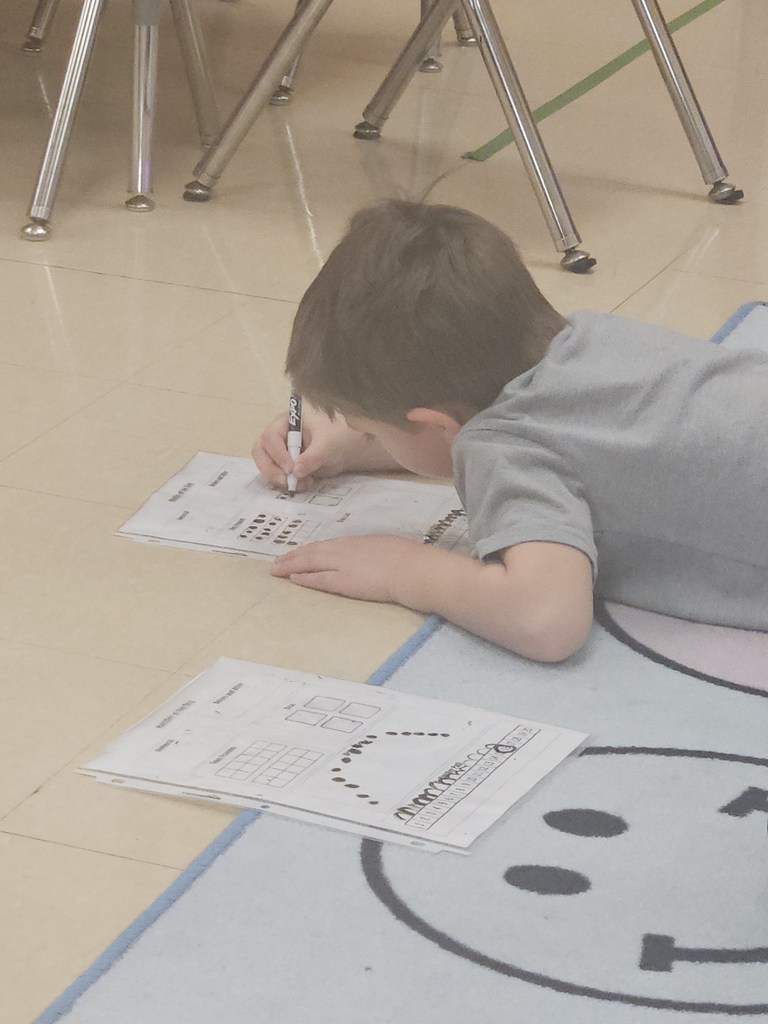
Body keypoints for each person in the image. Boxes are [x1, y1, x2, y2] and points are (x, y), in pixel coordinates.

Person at [253, 200, 768, 662]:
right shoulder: (591, 337)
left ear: (433, 424)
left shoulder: (505, 447)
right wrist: (361, 449)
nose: (367, 436)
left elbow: (546, 621)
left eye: (373, 429)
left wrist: (404, 571)